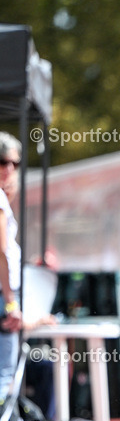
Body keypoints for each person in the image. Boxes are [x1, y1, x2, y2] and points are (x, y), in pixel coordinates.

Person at [0, 133, 23, 402]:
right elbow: (2, 252)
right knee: (4, 377)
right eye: (2, 161)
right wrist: (10, 303)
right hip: (2, 296)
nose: (9, 169)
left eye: (14, 164)